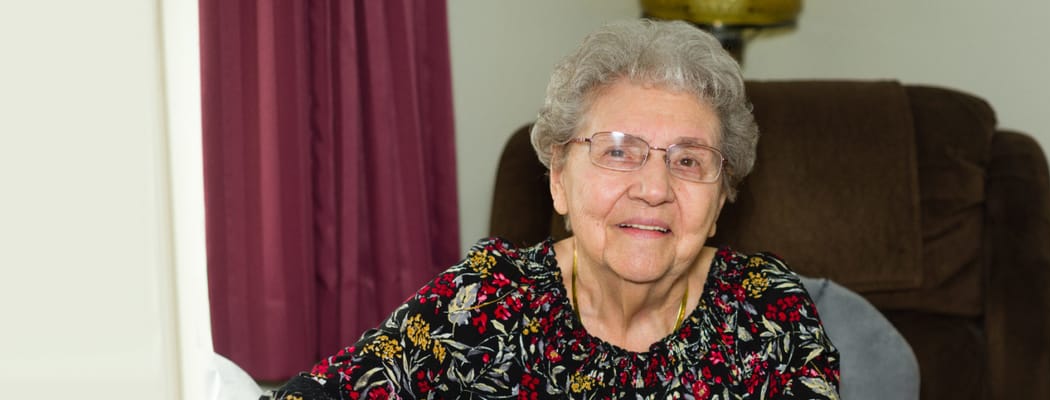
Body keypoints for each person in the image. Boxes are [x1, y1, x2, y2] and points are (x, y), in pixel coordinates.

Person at [265, 19, 839, 399]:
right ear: (560, 181)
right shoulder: (487, 302)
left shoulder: (769, 313)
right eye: (619, 152)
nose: (655, 188)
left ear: (719, 203)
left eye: (689, 161)